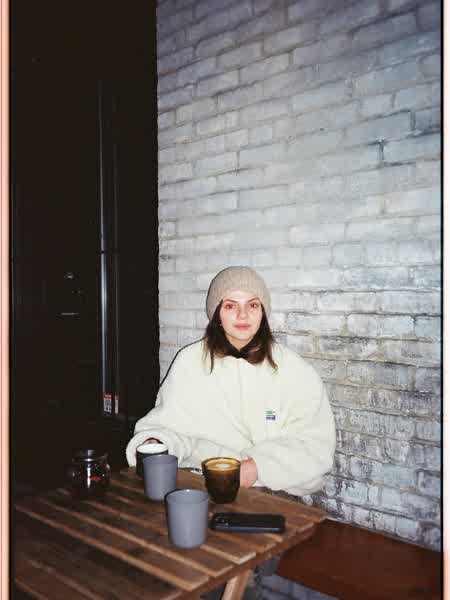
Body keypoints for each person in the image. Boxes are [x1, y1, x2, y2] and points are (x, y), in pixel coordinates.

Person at [126, 266, 336, 495]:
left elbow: (315, 443)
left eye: (252, 305)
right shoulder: (190, 362)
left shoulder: (293, 370)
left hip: (274, 489)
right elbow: (168, 425)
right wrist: (156, 441)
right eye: (230, 306)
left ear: (263, 312)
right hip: (202, 482)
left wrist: (257, 467)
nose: (242, 315)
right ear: (217, 314)